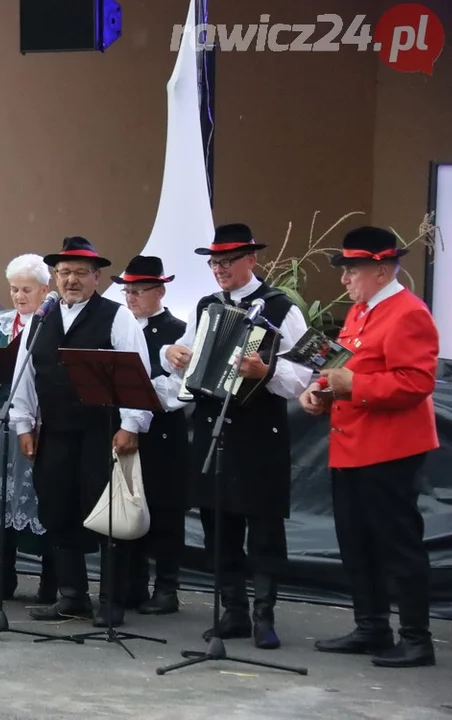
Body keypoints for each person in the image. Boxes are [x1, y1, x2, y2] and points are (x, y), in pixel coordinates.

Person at [163, 223, 309, 650]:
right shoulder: (208, 306)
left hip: (260, 430)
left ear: (252, 260)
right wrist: (171, 354)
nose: (219, 269)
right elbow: (184, 357)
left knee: (263, 526)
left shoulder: (281, 308)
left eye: (227, 261)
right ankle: (233, 611)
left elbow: (302, 375)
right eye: (214, 262)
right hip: (213, 426)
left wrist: (266, 372)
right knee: (218, 523)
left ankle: (265, 614)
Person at [303, 227, 438, 668]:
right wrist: (320, 389)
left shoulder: (407, 313)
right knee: (355, 541)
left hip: (390, 448)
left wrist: (353, 385)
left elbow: (416, 383)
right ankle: (372, 626)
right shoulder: (361, 312)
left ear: (381, 270)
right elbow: (342, 363)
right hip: (352, 444)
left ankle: (416, 638)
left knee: (398, 543)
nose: (345, 279)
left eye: (352, 270)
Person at [11, 237, 152, 628]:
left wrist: (131, 425)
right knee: (56, 511)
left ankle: (111, 600)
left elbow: (135, 372)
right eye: (64, 272)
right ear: (55, 277)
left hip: (102, 433)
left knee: (109, 518)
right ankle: (72, 595)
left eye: (80, 273)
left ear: (96, 277)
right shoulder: (39, 320)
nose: (71, 280)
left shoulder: (117, 316)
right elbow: (26, 375)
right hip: (54, 431)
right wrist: (24, 424)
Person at [111, 255, 188, 615]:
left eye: (139, 291)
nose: (131, 298)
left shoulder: (177, 329)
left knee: (165, 510)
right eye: (127, 291)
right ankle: (133, 582)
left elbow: (179, 389)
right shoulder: (120, 326)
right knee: (129, 505)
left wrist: (139, 396)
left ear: (160, 290)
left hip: (163, 433)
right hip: (125, 430)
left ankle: (167, 587)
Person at [0, 253, 55, 603]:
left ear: (44, 289)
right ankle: (5, 575)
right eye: (14, 289)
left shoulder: (54, 322)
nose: (20, 296)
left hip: (44, 415)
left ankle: (49, 581)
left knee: (44, 494)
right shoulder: (0, 325)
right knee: (3, 492)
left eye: (27, 289)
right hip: (4, 411)